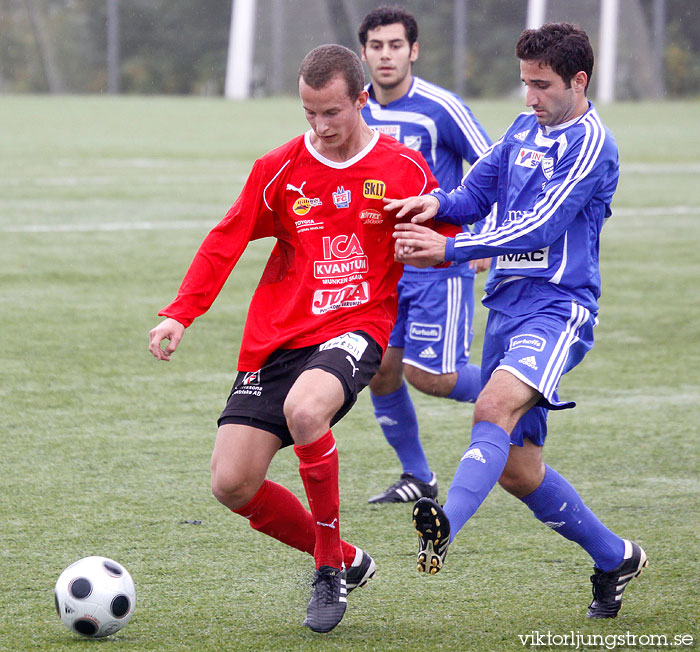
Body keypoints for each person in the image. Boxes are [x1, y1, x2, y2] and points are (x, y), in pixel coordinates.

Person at [148, 44, 440, 634]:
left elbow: (449, 225)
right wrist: (182, 312)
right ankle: (352, 559)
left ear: (361, 100)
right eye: (309, 112)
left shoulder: (404, 168)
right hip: (278, 340)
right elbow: (226, 239)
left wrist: (456, 249)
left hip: (357, 327)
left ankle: (328, 571)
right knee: (231, 483)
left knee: (306, 410)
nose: (320, 125)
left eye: (332, 112)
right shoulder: (278, 169)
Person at [389, 23, 647, 618]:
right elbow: (477, 192)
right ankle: (616, 557)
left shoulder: (590, 145)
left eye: (543, 85)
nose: (530, 97)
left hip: (558, 308)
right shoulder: (524, 127)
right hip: (505, 305)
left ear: (579, 82)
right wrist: (437, 205)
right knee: (518, 470)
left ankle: (444, 525)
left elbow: (539, 228)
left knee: (492, 408)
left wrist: (450, 250)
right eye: (525, 83)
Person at [357, 5, 493, 505]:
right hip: (381, 266)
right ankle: (418, 476)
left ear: (413, 50)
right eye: (376, 46)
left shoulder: (441, 107)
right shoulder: (356, 107)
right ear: (365, 51)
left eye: (396, 45)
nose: (386, 55)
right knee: (380, 368)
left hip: (439, 260)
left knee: (432, 375)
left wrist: (484, 236)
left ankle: (521, 389)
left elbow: (492, 165)